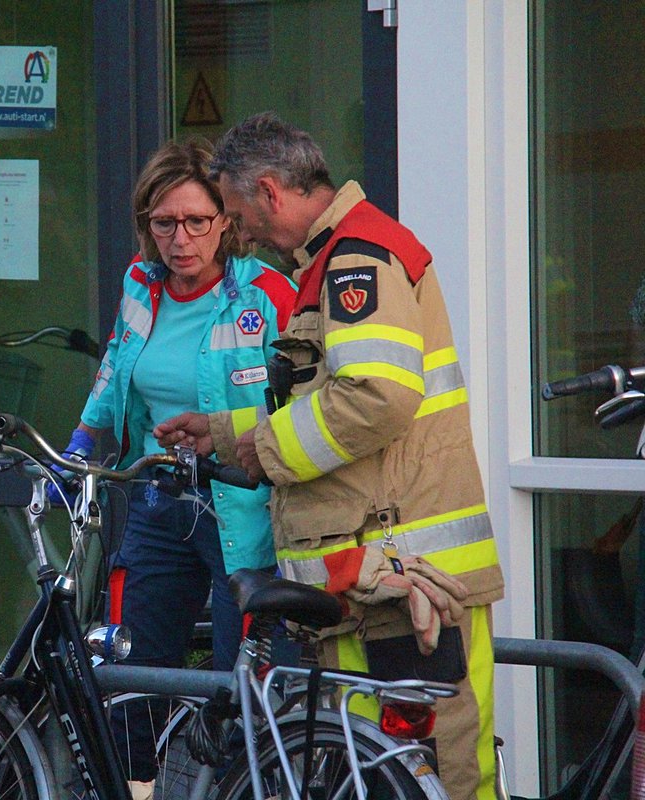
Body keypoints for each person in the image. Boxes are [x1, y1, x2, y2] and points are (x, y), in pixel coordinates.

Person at [156, 111, 504, 800]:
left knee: (432, 774)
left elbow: (376, 397)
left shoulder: (357, 258)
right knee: (383, 775)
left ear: (268, 192)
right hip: (379, 582)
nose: (234, 232)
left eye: (231, 213)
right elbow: (330, 401)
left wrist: (261, 446)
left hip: (402, 585)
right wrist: (227, 435)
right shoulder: (337, 258)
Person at [61, 137, 295, 800]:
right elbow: (114, 371)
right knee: (130, 670)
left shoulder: (266, 293)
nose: (181, 238)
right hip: (161, 498)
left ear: (226, 222)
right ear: (146, 226)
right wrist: (82, 441)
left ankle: (237, 788)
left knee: (238, 683)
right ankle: (135, 786)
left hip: (242, 511)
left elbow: (305, 403)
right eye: (164, 223)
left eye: (198, 220)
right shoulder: (141, 286)